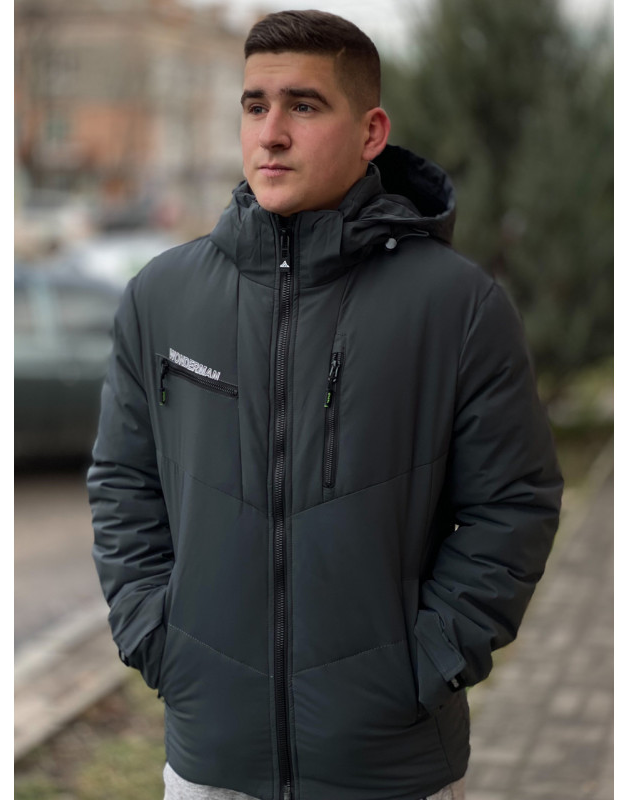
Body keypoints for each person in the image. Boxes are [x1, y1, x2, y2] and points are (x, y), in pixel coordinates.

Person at [88, 10, 563, 800]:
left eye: (303, 106)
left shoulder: (457, 306)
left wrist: (431, 660)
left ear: (372, 131)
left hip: (391, 766)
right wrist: (157, 636)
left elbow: (513, 502)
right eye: (255, 105)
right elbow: (123, 485)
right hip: (213, 760)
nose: (271, 133)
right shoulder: (161, 298)